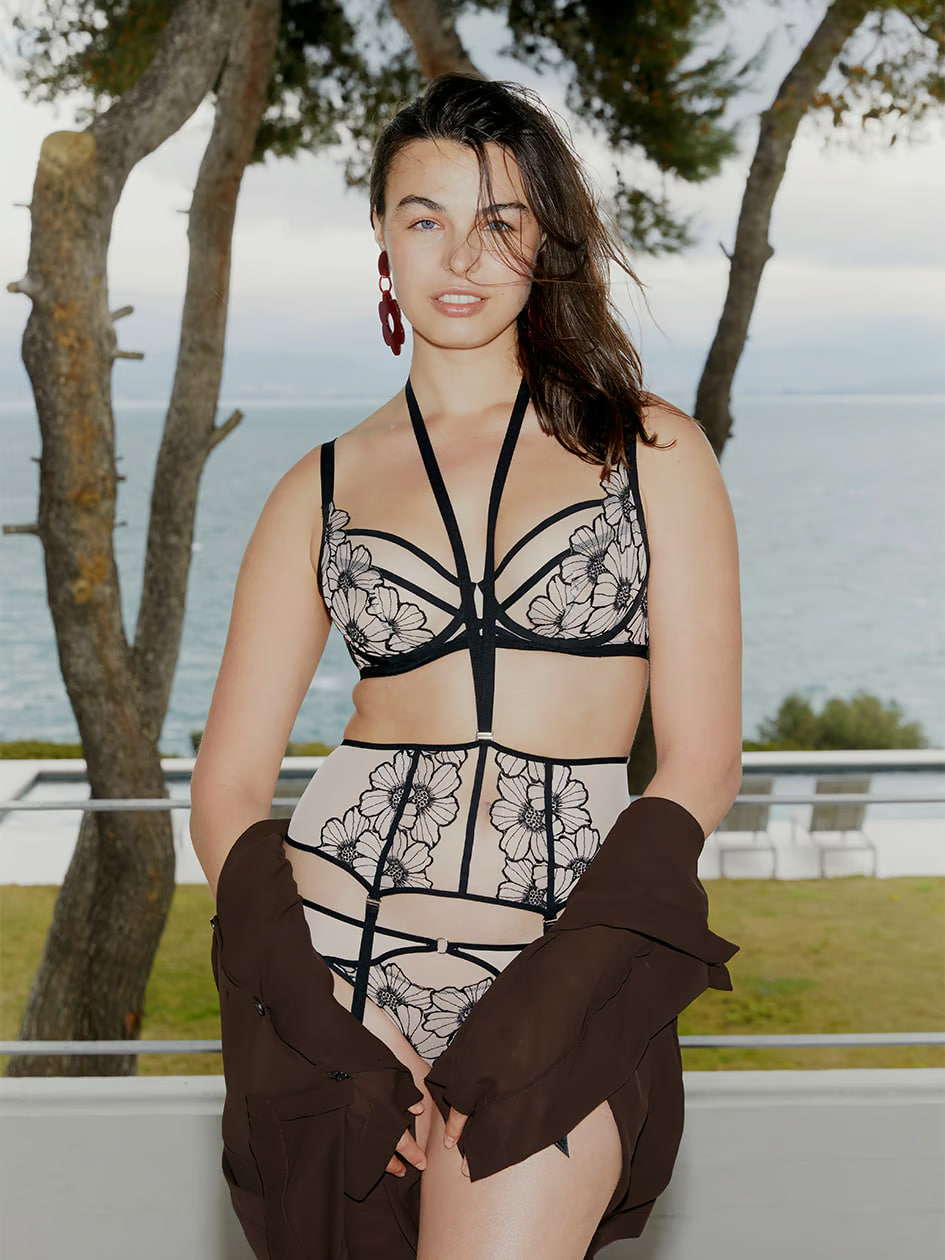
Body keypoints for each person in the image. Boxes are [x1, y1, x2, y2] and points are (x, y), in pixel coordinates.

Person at [191, 72, 742, 1260]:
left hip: (567, 958)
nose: (461, 256)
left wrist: (555, 995)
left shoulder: (651, 450)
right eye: (425, 217)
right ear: (382, 239)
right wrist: (323, 1015)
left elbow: (700, 764)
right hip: (339, 964)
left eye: (499, 221)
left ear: (545, 242)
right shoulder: (316, 489)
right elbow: (227, 787)